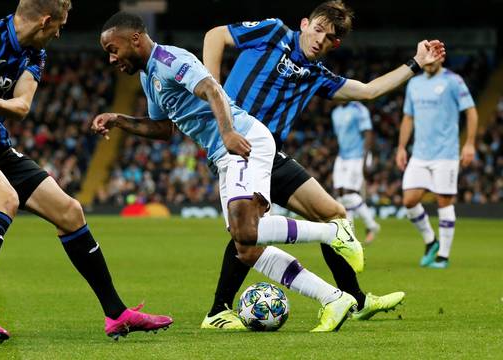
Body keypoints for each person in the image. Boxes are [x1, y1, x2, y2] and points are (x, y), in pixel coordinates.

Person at [0, 0, 171, 342]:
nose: (59, 33)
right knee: (4, 199)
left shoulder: (34, 53)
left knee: (70, 212)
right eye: (60, 25)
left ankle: (117, 314)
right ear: (45, 20)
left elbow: (22, 105)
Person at [94, 11, 365, 333]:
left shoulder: (169, 59)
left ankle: (334, 233)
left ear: (135, 39)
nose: (111, 59)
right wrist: (119, 119)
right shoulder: (147, 76)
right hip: (224, 152)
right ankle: (333, 298)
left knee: (247, 232)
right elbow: (164, 129)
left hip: (243, 141)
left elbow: (211, 88)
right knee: (246, 248)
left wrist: (227, 133)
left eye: (113, 49)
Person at [201, 0, 444, 327]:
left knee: (335, 215)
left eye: (329, 38)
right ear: (304, 23)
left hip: (270, 156)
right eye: (317, 29)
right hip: (238, 149)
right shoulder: (272, 31)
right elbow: (215, 36)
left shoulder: (316, 75)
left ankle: (356, 301)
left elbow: (369, 91)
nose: (320, 39)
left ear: (336, 44)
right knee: (251, 231)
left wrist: (415, 62)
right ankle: (218, 310)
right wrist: (214, 94)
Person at [397, 58, 477, 269]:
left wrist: (469, 144)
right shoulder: (414, 83)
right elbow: (408, 118)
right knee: (409, 201)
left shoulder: (453, 80)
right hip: (420, 154)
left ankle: (443, 255)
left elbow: (471, 111)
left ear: (441, 57)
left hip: (446, 154)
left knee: (444, 202)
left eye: (435, 57)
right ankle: (431, 241)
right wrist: (401, 147)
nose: (430, 62)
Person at [331, 101, 380, 243]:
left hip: (357, 156)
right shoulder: (335, 112)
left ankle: (372, 226)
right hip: (342, 156)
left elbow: (368, 133)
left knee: (349, 193)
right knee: (340, 195)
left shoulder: (359, 109)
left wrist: (365, 159)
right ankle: (350, 236)